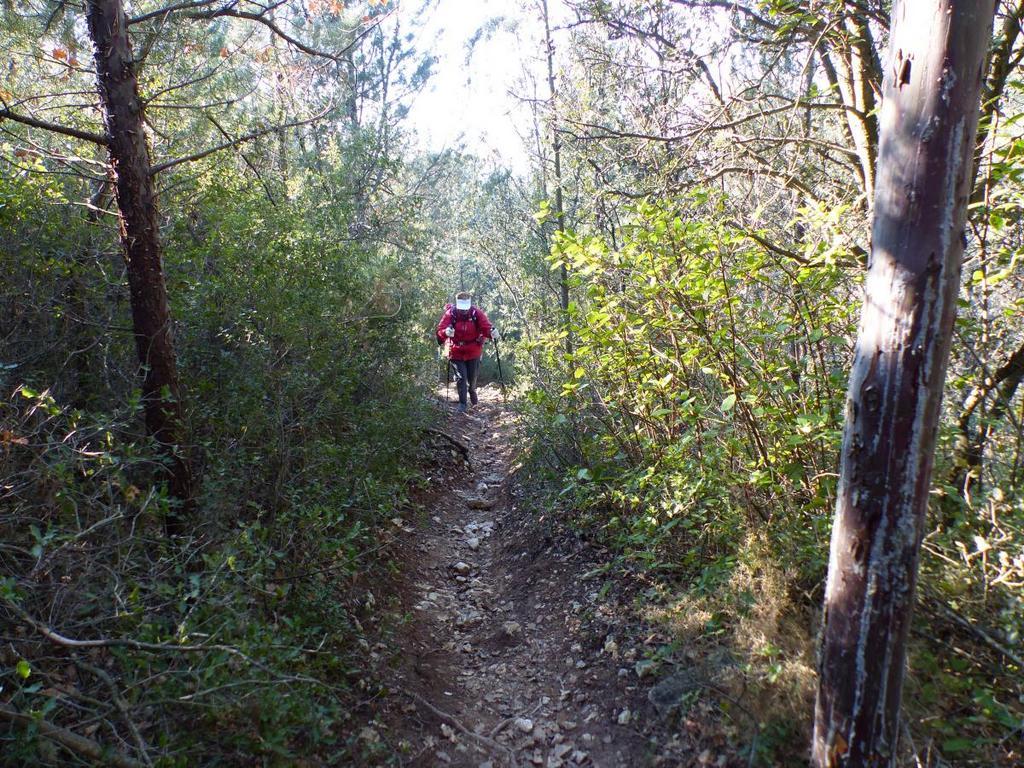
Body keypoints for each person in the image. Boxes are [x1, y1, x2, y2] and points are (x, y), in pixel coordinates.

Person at [436, 291, 498, 413]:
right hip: (455, 351)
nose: (463, 311)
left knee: (472, 378)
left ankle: (473, 394)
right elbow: (440, 331)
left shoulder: (476, 313)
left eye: (465, 309)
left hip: (473, 351)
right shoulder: (450, 314)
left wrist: (492, 332)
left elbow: (485, 327)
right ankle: (463, 404)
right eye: (461, 309)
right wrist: (445, 333)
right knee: (461, 377)